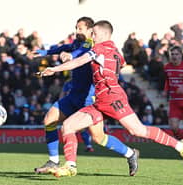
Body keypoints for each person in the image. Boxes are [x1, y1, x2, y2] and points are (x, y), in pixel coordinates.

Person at [39, 20, 183, 178]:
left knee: (138, 130)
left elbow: (78, 62)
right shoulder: (116, 51)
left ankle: (180, 145)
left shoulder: (99, 48)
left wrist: (54, 69)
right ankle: (70, 166)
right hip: (100, 101)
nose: (92, 36)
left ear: (105, 34)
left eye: (95, 33)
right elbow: (119, 63)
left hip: (113, 99)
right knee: (68, 126)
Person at [34, 17, 139, 176]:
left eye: (80, 28)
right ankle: (55, 161)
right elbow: (66, 47)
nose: (77, 31)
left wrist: (69, 56)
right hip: (73, 96)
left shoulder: (93, 46)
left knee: (98, 137)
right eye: (76, 28)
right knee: (49, 119)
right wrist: (46, 52)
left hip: (89, 99)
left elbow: (78, 53)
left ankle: (130, 154)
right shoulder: (77, 43)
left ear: (91, 31)